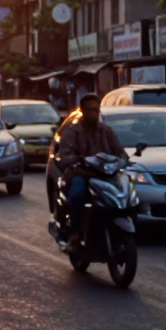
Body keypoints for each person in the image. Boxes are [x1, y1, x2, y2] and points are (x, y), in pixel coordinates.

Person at [55, 94, 124, 253]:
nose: (94, 113)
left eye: (96, 110)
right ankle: (75, 232)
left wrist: (124, 160)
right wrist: (75, 159)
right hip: (80, 174)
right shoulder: (72, 132)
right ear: (82, 111)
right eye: (90, 110)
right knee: (77, 193)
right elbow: (63, 155)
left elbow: (119, 152)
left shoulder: (106, 132)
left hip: (104, 175)